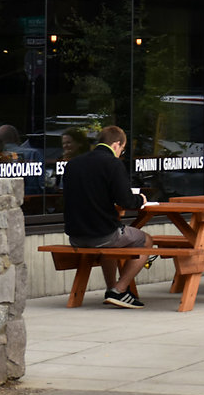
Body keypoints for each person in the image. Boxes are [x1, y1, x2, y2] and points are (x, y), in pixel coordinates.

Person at [62, 124, 153, 308]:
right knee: (147, 241)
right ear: (116, 144)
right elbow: (125, 200)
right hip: (103, 235)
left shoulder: (73, 164)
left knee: (111, 242)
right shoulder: (113, 164)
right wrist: (140, 199)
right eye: (122, 149)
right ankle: (119, 289)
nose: (120, 153)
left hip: (76, 236)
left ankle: (111, 289)